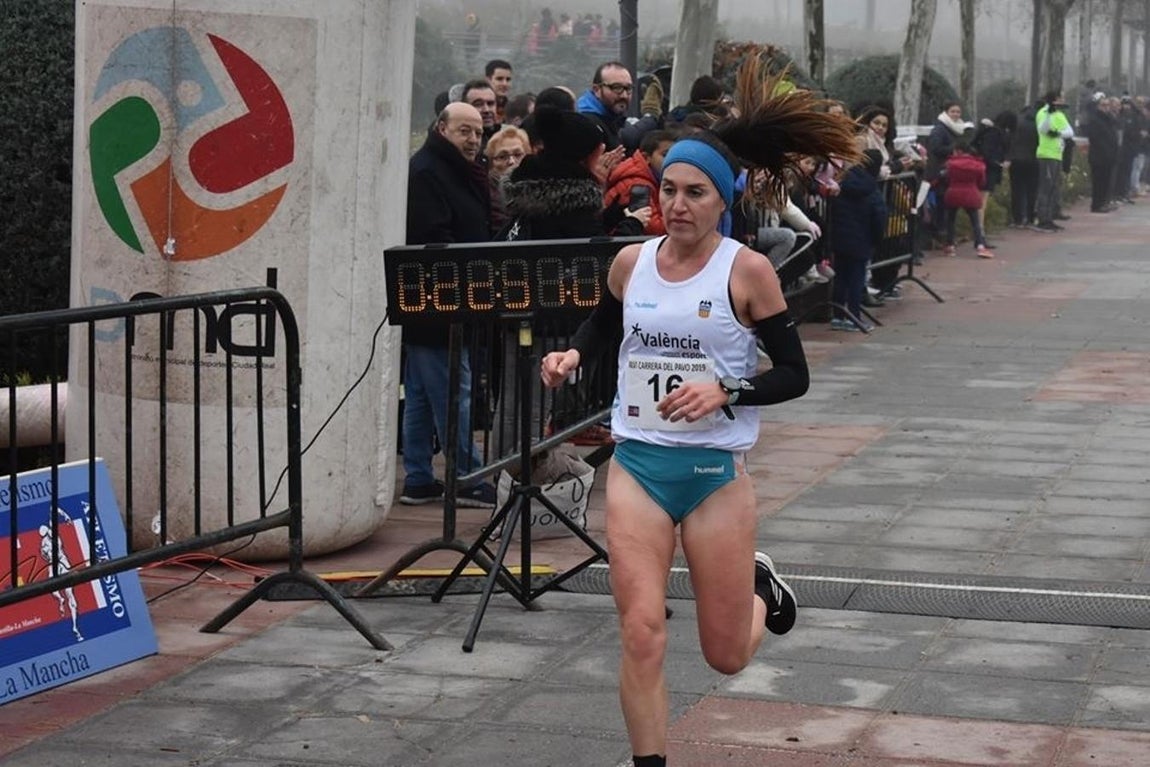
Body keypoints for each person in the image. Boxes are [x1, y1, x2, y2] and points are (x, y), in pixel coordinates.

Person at [539, 57, 862, 767]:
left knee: (724, 657)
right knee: (642, 630)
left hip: (715, 470)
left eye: (694, 192)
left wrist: (728, 390)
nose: (676, 204)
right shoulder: (633, 263)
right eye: (668, 190)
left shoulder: (746, 272)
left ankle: (760, 586)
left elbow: (794, 375)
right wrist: (569, 356)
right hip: (639, 466)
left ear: (723, 201)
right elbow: (602, 327)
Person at [401, 103, 498, 507]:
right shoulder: (427, 171)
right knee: (452, 390)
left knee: (424, 393)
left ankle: (420, 478)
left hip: (438, 300)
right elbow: (433, 235)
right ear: (441, 128)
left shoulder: (450, 169)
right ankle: (466, 475)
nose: (474, 140)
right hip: (439, 297)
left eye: (478, 132)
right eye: (464, 131)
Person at [829, 149, 887, 330]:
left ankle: (838, 315)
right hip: (862, 241)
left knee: (840, 277)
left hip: (840, 239)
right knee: (856, 279)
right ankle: (854, 316)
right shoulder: (872, 190)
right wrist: (877, 240)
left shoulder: (843, 182)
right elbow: (879, 217)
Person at [941, 136, 993, 259]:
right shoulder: (978, 165)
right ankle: (980, 245)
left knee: (951, 220)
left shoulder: (950, 164)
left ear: (958, 151)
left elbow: (946, 178)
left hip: (953, 192)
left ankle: (950, 245)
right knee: (975, 221)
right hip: (971, 193)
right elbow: (982, 182)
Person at [1034, 90, 1074, 232]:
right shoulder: (1043, 113)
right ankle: (1042, 219)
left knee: (1053, 188)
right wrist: (1049, 115)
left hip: (1057, 154)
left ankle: (1049, 218)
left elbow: (1069, 132)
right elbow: (1043, 130)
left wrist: (1058, 133)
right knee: (1046, 188)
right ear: (1053, 100)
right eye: (1059, 99)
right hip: (1046, 154)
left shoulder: (1060, 114)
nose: (1062, 101)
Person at [484, 59, 513, 124]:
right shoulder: (478, 108)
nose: (505, 84)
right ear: (488, 80)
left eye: (508, 79)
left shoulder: (513, 109)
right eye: (499, 79)